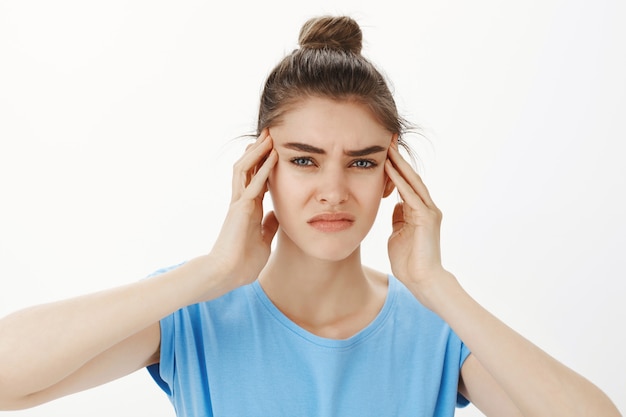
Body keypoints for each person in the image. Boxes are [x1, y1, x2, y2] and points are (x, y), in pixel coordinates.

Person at [0, 15, 621, 417]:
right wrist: (213, 271)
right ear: (261, 168)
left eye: (360, 162)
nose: (333, 191)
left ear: (392, 177)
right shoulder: (195, 316)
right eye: (304, 160)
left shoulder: (436, 331)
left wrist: (437, 287)